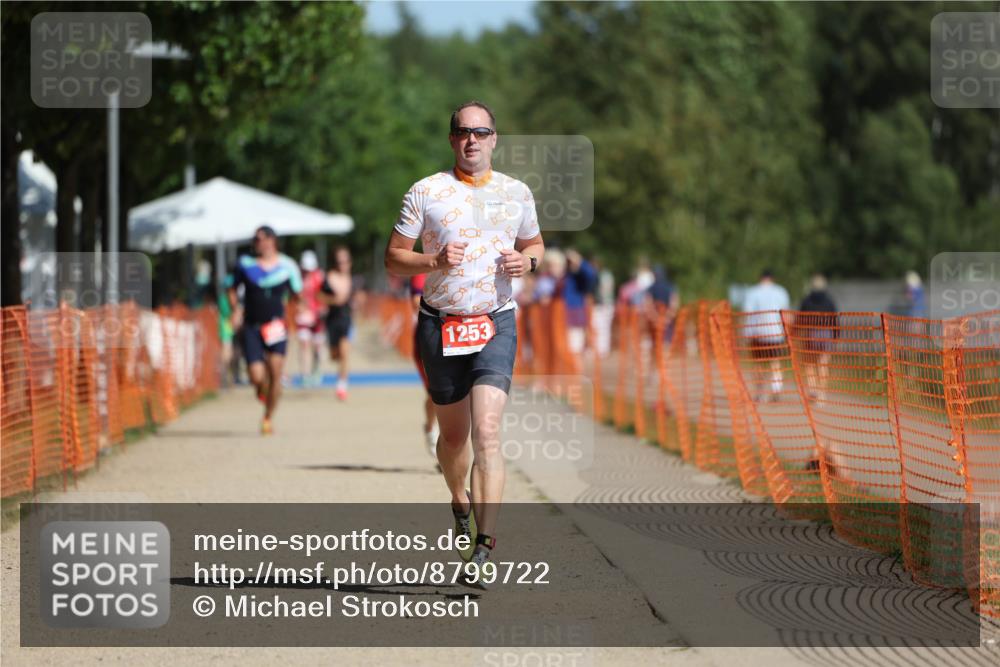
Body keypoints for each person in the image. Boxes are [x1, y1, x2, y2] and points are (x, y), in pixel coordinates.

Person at [384, 100, 545, 585]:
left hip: (495, 322)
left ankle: (483, 547)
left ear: (495, 138)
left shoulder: (516, 193)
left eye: (481, 131)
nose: (472, 139)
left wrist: (529, 263)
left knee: (488, 432)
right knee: (453, 439)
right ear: (452, 139)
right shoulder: (426, 192)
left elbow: (534, 245)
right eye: (462, 132)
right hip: (441, 324)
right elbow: (393, 259)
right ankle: (459, 497)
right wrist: (433, 262)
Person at [228, 226, 302, 435]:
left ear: (272, 241)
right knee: (256, 376)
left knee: (276, 373)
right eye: (256, 239)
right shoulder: (245, 264)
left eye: (262, 238)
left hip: (276, 326)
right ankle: (262, 390)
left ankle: (267, 417)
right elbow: (231, 288)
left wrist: (296, 314)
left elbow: (297, 295)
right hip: (252, 325)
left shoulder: (287, 265)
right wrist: (235, 310)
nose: (258, 242)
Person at [795, 274, 838, 471]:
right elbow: (835, 320)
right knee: (823, 365)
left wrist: (796, 331)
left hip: (812, 334)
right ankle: (821, 395)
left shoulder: (807, 300)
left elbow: (800, 317)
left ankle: (813, 390)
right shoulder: (829, 300)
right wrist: (836, 336)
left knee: (810, 364)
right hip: (826, 335)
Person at [742, 269, 790, 403]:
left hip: (757, 333)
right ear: (772, 278)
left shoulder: (752, 292)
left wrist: (747, 333)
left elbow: (748, 314)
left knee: (759, 363)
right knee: (775, 362)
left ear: (760, 278)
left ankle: (759, 392)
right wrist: (787, 333)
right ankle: (776, 389)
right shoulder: (781, 291)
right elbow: (785, 313)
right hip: (775, 333)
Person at [410, 273, 440, 459]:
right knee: (436, 393)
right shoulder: (422, 271)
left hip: (459, 336)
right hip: (429, 338)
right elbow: (415, 302)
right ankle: (431, 428)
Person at [320, 245, 353, 401]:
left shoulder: (352, 278)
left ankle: (342, 384)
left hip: (346, 319)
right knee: (335, 355)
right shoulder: (329, 277)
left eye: (345, 261)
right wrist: (333, 300)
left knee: (345, 351)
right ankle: (339, 372)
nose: (343, 264)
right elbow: (319, 296)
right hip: (332, 319)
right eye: (340, 261)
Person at [295, 250, 326, 386]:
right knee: (304, 345)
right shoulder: (297, 278)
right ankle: (304, 374)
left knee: (317, 346)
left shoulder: (319, 277)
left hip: (318, 317)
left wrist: (321, 309)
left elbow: (324, 296)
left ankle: (317, 371)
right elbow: (296, 297)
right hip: (303, 317)